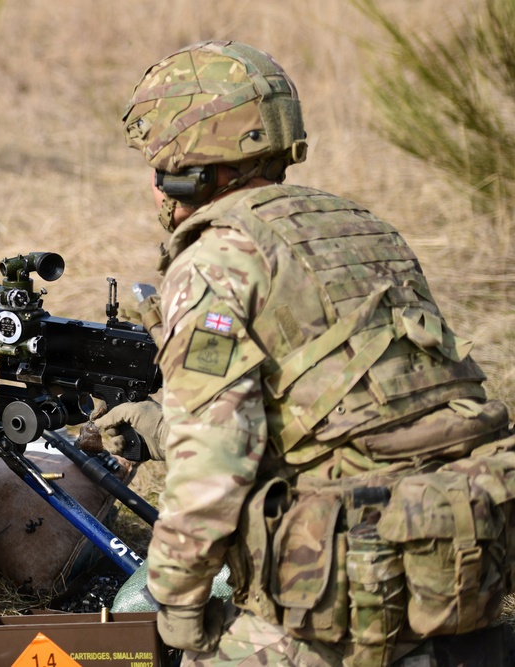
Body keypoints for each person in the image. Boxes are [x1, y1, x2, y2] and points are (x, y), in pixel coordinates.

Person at [94, 40, 514, 666]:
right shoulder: (361, 228)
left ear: (188, 167)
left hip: (343, 600)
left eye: (157, 166)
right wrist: (160, 428)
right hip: (458, 560)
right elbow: (356, 408)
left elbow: (212, 471)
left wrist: (179, 610)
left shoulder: (215, 264)